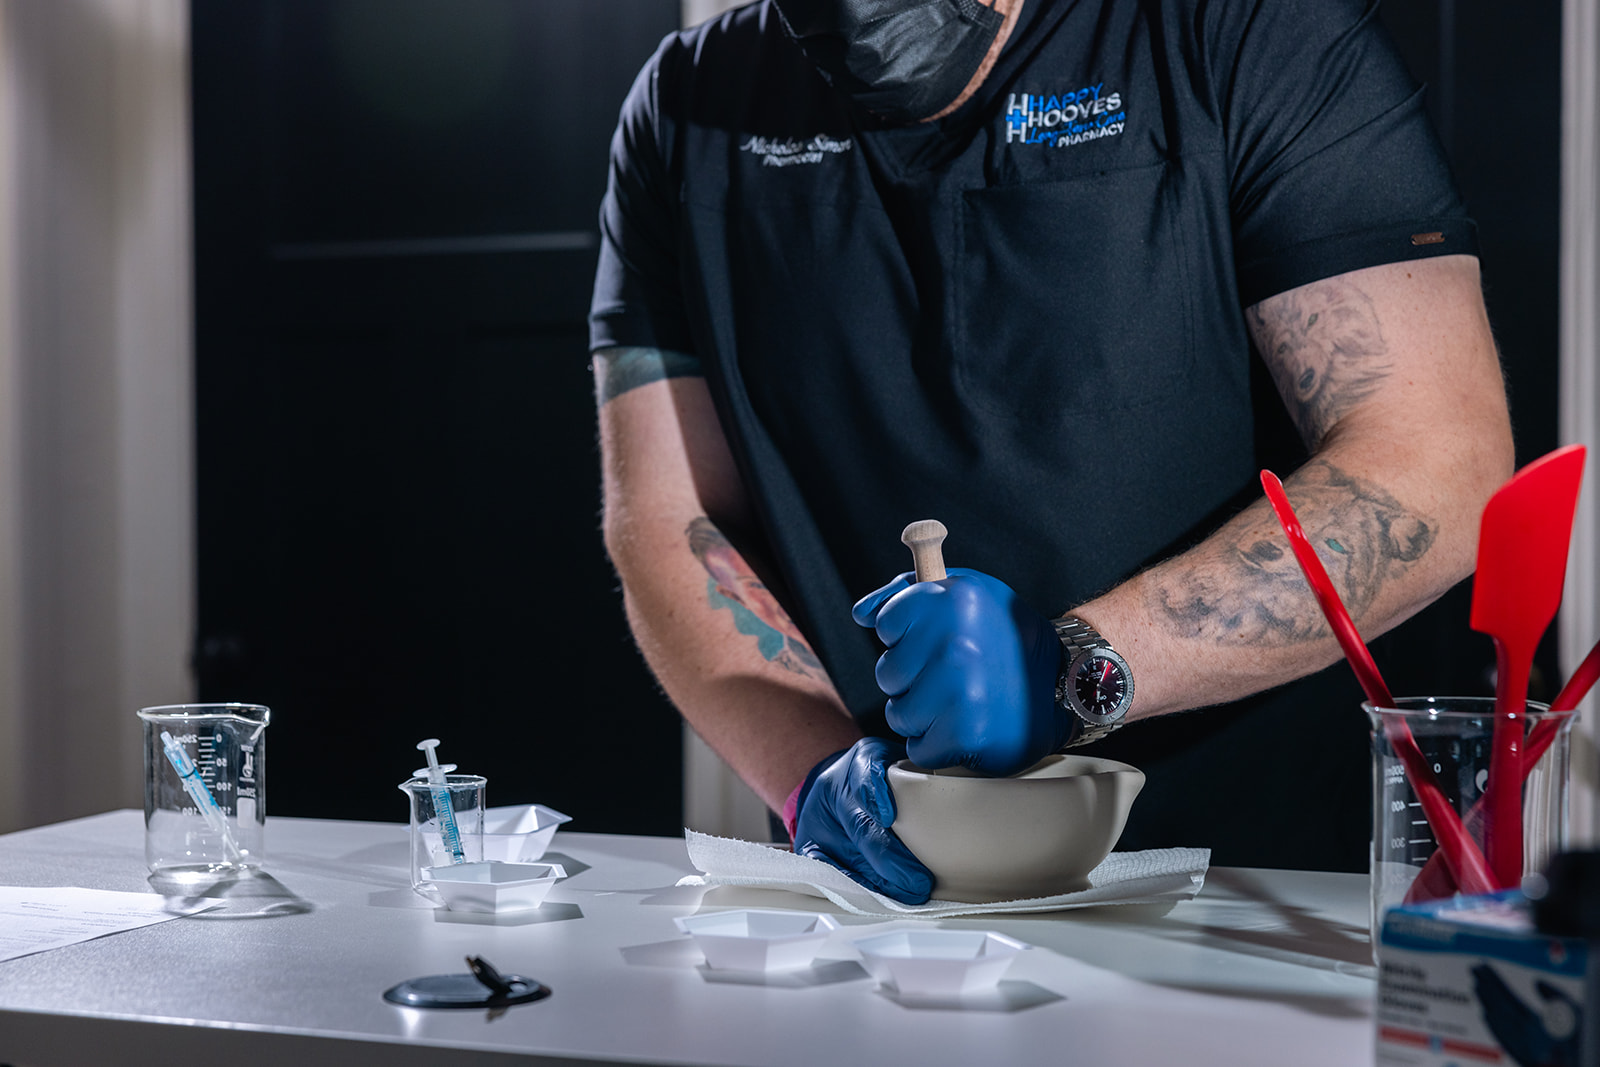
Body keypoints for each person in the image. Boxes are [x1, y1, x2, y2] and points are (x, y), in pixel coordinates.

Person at [588, 0, 1514, 903]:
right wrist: (813, 772)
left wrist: (1076, 667)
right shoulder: (687, 106)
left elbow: (1438, 464)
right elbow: (671, 519)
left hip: (1255, 894)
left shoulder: (1250, 30)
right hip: (889, 890)